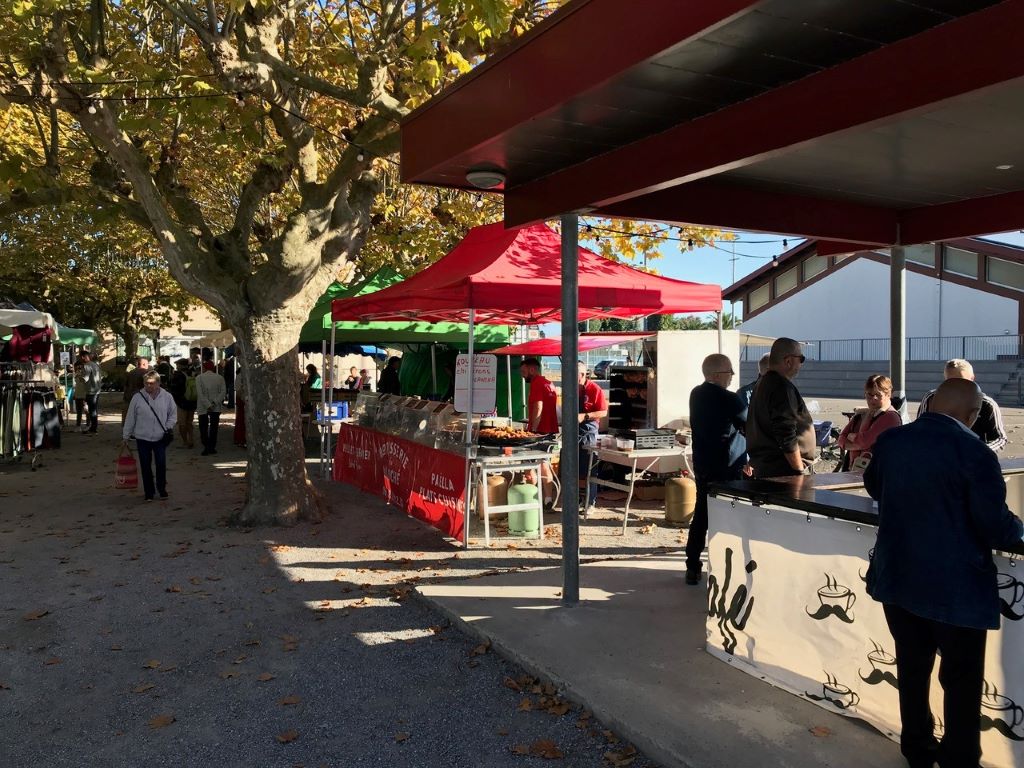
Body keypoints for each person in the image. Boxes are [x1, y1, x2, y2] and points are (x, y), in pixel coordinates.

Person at [865, 378, 1023, 768]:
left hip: (898, 577)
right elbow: (995, 526)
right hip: (955, 588)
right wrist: (1018, 527)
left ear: (932, 405)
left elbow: (874, 487)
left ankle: (917, 749)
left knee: (912, 668)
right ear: (974, 415)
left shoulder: (892, 441)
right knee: (962, 681)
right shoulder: (975, 453)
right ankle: (959, 758)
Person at [687, 354, 747, 585]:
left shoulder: (696, 394)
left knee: (701, 515)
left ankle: (692, 565)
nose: (732, 376)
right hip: (728, 466)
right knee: (728, 518)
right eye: (729, 372)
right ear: (716, 374)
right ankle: (725, 567)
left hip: (703, 464)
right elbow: (748, 424)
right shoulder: (730, 399)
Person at [745, 337, 815, 478]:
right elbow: (786, 433)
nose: (801, 364)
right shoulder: (781, 387)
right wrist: (799, 470)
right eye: (801, 359)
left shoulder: (763, 383)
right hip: (783, 471)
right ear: (788, 361)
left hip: (768, 467)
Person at [916, 358, 1007, 451]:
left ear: (972, 378)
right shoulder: (931, 399)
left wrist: (979, 451)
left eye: (962, 381)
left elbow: (1000, 439)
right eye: (951, 381)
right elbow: (919, 430)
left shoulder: (987, 404)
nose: (957, 385)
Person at [123, 371, 177, 501]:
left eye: (151, 383)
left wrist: (167, 427)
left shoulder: (167, 397)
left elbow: (173, 415)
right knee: (145, 465)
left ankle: (162, 489)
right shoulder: (137, 397)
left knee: (161, 464)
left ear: (158, 383)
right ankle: (149, 491)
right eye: (146, 383)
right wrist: (126, 436)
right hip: (142, 437)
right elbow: (130, 417)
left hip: (160, 437)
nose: (148, 386)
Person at [837, 374, 901, 470]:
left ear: (888, 395)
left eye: (878, 395)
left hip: (878, 472)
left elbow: (865, 441)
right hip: (854, 469)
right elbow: (841, 439)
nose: (873, 398)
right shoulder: (862, 415)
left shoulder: (891, 416)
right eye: (869, 394)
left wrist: (852, 437)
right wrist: (857, 443)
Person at [577, 361, 608, 507]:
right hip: (573, 431)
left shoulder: (595, 389)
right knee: (574, 468)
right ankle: (577, 499)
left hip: (589, 431)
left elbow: (603, 412)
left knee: (589, 468)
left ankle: (590, 502)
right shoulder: (571, 389)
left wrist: (586, 416)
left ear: (582, 374)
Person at [195, 361, 226, 456]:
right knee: (214, 427)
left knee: (203, 427)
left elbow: (200, 393)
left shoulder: (199, 378)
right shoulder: (220, 378)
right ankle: (212, 446)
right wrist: (214, 403)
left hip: (203, 406)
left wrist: (207, 405)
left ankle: (205, 445)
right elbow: (223, 392)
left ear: (204, 368)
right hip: (215, 406)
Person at [520, 357, 559, 434]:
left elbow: (538, 407)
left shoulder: (536, 383)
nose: (522, 375)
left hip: (540, 431)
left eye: (523, 372)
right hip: (551, 430)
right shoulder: (549, 383)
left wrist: (533, 430)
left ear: (531, 370)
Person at [168, 358, 196, 448]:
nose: (176, 366)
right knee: (189, 422)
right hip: (192, 401)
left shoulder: (178, 375)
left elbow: (174, 390)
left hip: (181, 402)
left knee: (182, 423)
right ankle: (191, 440)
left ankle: (185, 442)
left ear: (180, 365)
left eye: (177, 365)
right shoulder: (193, 373)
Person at [79, 351, 102, 434]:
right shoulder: (95, 365)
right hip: (97, 390)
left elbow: (85, 379)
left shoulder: (86, 366)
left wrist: (79, 376)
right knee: (94, 410)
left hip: (91, 391)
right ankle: (94, 427)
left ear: (83, 357)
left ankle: (93, 428)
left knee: (91, 410)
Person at [122, 357, 149, 423]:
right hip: (142, 399)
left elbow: (125, 386)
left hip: (129, 398)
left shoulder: (130, 373)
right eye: (147, 364)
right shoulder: (147, 373)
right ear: (144, 364)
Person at [72, 359, 88, 432]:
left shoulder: (85, 373)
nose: (77, 369)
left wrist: (80, 375)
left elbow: (85, 382)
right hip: (78, 394)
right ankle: (78, 426)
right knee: (79, 412)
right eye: (76, 367)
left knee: (86, 410)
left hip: (84, 395)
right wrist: (74, 394)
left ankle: (88, 425)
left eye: (79, 367)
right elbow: (76, 385)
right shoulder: (76, 374)